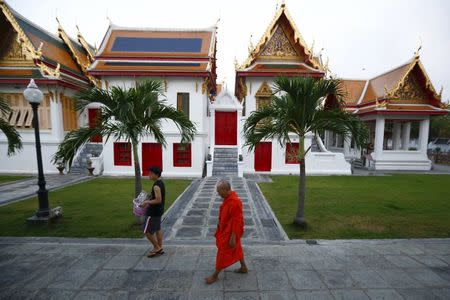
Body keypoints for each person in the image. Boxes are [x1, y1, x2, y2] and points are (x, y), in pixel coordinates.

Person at [205, 179, 248, 284]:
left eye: (219, 191)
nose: (218, 194)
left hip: (231, 231)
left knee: (222, 252)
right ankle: (243, 267)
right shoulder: (228, 198)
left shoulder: (235, 202)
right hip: (226, 229)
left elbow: (237, 221)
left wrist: (233, 237)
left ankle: (215, 275)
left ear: (226, 189)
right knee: (237, 247)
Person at [140, 166, 165, 258]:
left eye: (151, 174)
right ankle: (159, 247)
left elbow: (158, 200)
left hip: (153, 212)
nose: (149, 175)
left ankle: (156, 247)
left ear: (156, 174)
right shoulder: (160, 182)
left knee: (147, 232)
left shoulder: (156, 186)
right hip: (159, 211)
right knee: (157, 229)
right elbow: (157, 198)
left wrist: (146, 202)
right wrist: (150, 197)